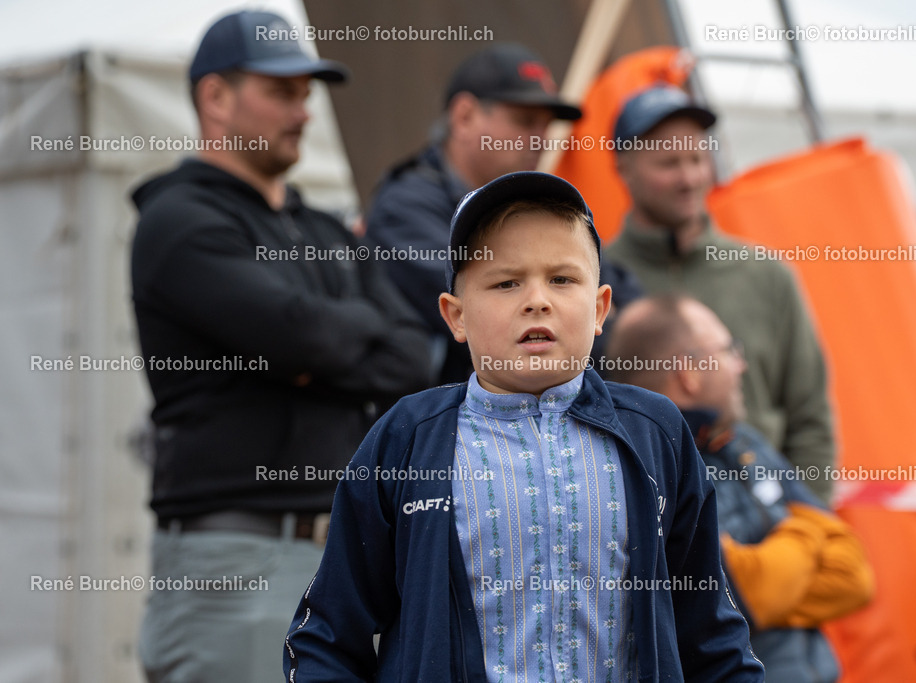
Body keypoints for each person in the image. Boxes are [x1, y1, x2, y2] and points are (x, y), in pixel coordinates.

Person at [283, 172, 765, 682]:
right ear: (456, 316)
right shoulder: (406, 439)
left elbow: (713, 637)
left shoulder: (655, 432)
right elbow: (328, 635)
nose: (537, 300)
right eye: (506, 282)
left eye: (562, 279)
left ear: (600, 308)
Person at [130, 11, 431, 682]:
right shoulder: (178, 221)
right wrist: (332, 341)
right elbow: (302, 333)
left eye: (306, 92)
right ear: (215, 97)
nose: (303, 111)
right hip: (236, 562)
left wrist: (319, 353)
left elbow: (412, 355)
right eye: (282, 91)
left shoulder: (322, 225)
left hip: (347, 558)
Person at [605, 295, 874, 682]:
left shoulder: (745, 441)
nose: (741, 364)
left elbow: (855, 575)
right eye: (729, 350)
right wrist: (808, 533)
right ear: (689, 373)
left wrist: (778, 570)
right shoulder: (656, 466)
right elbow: (747, 592)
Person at [606, 84, 836, 501]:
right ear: (624, 167)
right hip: (647, 525)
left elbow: (810, 418)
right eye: (669, 163)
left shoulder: (765, 275)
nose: (690, 178)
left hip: (764, 519)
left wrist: (809, 526)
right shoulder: (595, 279)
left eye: (697, 158)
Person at [365, 43, 642, 384]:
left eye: (545, 126)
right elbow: (491, 317)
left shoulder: (540, 203)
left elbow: (618, 284)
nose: (541, 139)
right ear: (464, 116)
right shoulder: (404, 207)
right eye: (525, 121)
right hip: (460, 426)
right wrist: (596, 318)